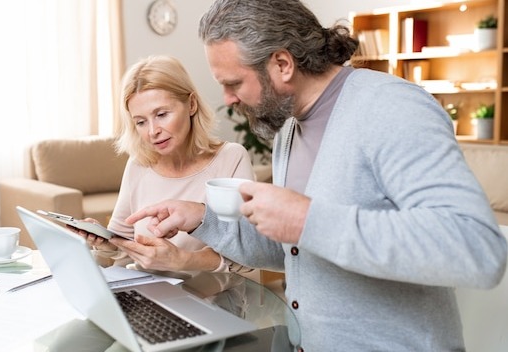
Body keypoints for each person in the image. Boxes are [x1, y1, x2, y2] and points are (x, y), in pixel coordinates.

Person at [119, 0, 508, 350]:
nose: (228, 100)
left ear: (283, 64)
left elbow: (477, 249)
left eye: (233, 83)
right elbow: (294, 247)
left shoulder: (392, 108)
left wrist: (308, 218)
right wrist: (201, 217)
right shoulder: (290, 129)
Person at [73, 55, 254, 274]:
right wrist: (104, 241)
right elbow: (122, 241)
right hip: (149, 295)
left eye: (161, 114)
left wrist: (183, 260)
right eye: (140, 122)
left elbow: (248, 253)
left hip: (212, 298)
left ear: (192, 104)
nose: (152, 131)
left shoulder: (231, 159)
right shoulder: (139, 165)